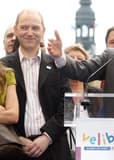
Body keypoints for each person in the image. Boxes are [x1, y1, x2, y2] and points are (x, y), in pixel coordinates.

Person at [1, 8, 71, 160]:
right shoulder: (2, 67)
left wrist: (47, 136)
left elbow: (69, 106)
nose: (30, 32)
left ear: (43, 31)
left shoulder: (57, 64)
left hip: (54, 149)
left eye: (35, 27)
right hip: (14, 149)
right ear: (16, 30)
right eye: (24, 27)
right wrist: (15, 138)